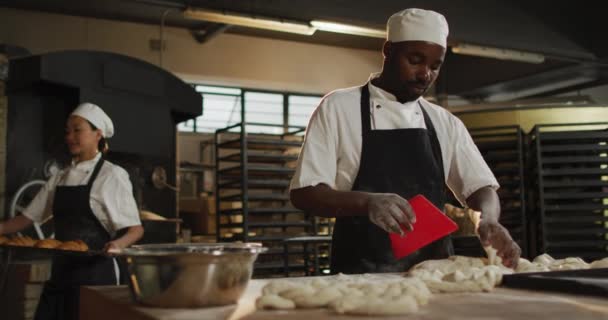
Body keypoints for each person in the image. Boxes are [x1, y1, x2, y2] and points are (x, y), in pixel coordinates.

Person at [289, 8, 521, 274]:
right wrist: (367, 202)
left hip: (435, 273)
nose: (425, 74)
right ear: (388, 51)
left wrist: (489, 220)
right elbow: (305, 193)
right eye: (415, 60)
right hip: (361, 274)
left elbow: (480, 187)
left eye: (435, 66)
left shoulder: (443, 121)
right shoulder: (339, 108)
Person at [0, 102, 144, 320]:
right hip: (61, 275)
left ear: (98, 134)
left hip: (96, 277)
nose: (70, 136)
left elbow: (135, 230)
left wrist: (117, 245)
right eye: (68, 131)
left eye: (78, 130)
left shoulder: (112, 175)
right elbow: (25, 219)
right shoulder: (60, 177)